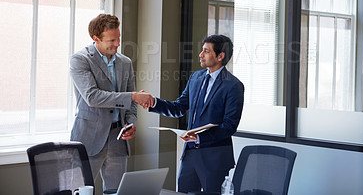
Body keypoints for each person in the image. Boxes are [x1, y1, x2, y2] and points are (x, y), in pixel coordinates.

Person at [142, 34, 244, 193]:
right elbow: (178, 107)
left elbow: (229, 126)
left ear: (220, 56)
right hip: (190, 156)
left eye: (206, 51)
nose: (200, 55)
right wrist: (153, 102)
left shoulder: (234, 86)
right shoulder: (196, 78)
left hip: (214, 159)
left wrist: (200, 137)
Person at [69, 14, 154, 191]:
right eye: (112, 40)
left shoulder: (125, 62)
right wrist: (132, 96)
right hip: (89, 137)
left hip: (118, 138)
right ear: (96, 39)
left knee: (116, 192)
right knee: (80, 191)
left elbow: (131, 104)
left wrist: (131, 123)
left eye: (119, 38)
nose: (117, 44)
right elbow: (92, 97)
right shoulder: (80, 60)